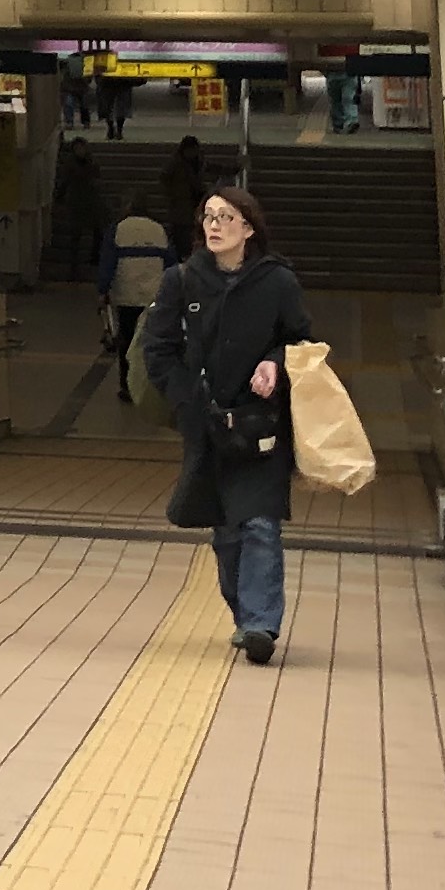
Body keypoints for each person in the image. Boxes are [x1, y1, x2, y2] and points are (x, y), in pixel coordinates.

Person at [140, 180, 311, 664]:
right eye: (209, 217)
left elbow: (301, 341)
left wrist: (275, 363)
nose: (214, 226)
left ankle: (260, 624)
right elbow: (158, 348)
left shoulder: (278, 282)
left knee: (260, 523)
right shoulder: (182, 280)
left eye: (225, 218)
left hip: (262, 423)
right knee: (228, 531)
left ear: (248, 229)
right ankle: (245, 615)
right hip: (209, 424)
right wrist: (186, 401)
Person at [99, 197, 172, 402]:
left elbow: (108, 262)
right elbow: (170, 262)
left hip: (126, 294)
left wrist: (102, 290)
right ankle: (149, 386)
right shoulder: (159, 229)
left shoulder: (118, 229)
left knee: (127, 340)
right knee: (150, 341)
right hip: (154, 295)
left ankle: (127, 385)